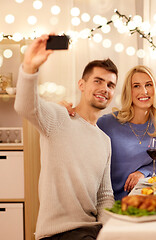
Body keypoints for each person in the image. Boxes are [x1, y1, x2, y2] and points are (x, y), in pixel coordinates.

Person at [14, 35, 116, 239]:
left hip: (92, 231)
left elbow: (105, 197)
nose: (105, 88)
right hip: (59, 233)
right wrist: (29, 67)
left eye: (110, 85)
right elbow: (25, 107)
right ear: (82, 84)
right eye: (98, 81)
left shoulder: (105, 141)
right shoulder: (59, 117)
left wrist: (109, 232)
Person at [97, 65, 156, 200]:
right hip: (111, 201)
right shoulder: (106, 123)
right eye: (136, 86)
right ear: (129, 91)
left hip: (144, 198)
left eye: (148, 85)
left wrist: (142, 173)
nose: (144, 91)